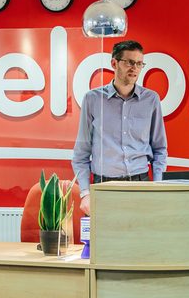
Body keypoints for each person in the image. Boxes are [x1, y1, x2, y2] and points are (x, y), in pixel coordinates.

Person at [72, 40, 168, 216]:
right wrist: (85, 193)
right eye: (129, 62)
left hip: (141, 185)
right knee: (106, 243)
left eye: (139, 63)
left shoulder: (151, 100)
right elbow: (81, 154)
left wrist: (159, 186)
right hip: (104, 187)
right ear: (114, 63)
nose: (135, 68)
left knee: (142, 240)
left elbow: (160, 149)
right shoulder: (93, 100)